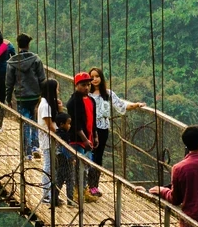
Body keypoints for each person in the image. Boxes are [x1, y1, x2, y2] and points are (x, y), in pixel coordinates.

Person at [86, 67, 145, 198]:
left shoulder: (108, 94)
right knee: (86, 156)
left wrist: (135, 105)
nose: (94, 79)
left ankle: (93, 186)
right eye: (92, 76)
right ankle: (84, 185)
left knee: (97, 157)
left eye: (97, 76)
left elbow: (121, 106)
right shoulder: (87, 94)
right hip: (88, 129)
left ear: (101, 78)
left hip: (102, 129)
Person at [6, 33, 47, 160]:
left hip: (21, 97)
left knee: (25, 123)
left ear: (18, 44)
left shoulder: (13, 63)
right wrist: (43, 96)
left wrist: (8, 98)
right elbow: (42, 79)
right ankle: (35, 146)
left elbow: (9, 82)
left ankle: (27, 152)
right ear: (28, 44)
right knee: (34, 121)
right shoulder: (36, 60)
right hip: (35, 96)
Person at [65, 71, 99, 202]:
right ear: (76, 85)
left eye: (88, 85)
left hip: (88, 139)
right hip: (77, 140)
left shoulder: (91, 100)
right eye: (83, 85)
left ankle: (83, 191)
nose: (87, 87)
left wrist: (95, 136)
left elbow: (93, 120)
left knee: (86, 167)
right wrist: (84, 140)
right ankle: (75, 193)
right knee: (78, 167)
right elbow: (76, 124)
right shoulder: (73, 102)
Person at [38, 78, 63, 205]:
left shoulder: (47, 103)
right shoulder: (45, 106)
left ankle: (51, 194)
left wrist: (59, 108)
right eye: (56, 88)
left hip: (50, 139)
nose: (58, 91)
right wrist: (60, 136)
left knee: (52, 166)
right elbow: (50, 127)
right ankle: (46, 195)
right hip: (48, 140)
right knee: (48, 166)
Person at [50, 113, 76, 206]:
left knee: (59, 179)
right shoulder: (65, 135)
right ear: (61, 124)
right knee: (70, 180)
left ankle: (54, 199)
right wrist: (71, 158)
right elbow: (65, 148)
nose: (69, 125)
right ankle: (70, 200)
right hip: (66, 159)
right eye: (68, 123)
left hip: (58, 158)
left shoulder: (56, 133)